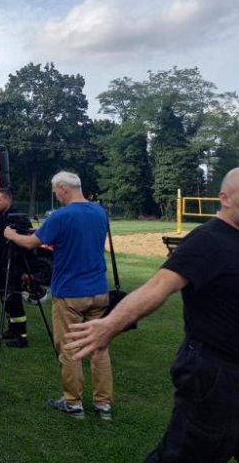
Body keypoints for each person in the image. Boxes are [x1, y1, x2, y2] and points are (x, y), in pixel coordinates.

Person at [65, 167, 239, 459]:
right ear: (225, 198)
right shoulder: (208, 240)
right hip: (213, 374)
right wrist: (110, 325)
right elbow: (159, 285)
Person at [4, 171, 111, 420]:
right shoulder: (100, 212)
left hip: (70, 293)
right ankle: (103, 404)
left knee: (70, 347)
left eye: (55, 191)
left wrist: (11, 235)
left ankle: (73, 402)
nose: (55, 196)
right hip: (99, 289)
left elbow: (31, 243)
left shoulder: (61, 216)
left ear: (63, 188)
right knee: (100, 349)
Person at [0, 189, 31, 348]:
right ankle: (11, 329)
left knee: (13, 299)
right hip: (0, 264)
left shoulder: (20, 219)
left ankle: (21, 336)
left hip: (15, 265)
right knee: (4, 299)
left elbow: (28, 246)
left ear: (7, 201)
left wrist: (26, 270)